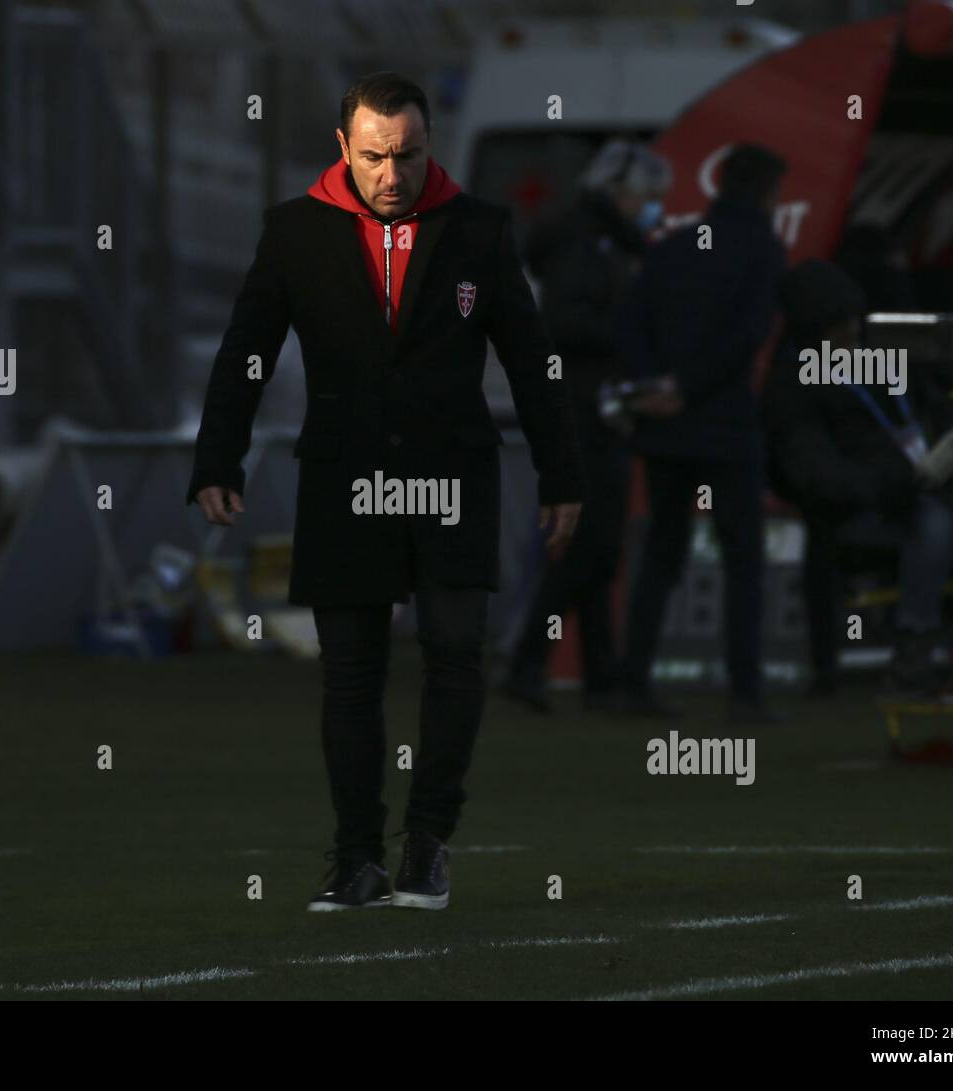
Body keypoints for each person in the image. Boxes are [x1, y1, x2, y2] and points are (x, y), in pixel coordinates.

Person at [186, 72, 585, 912]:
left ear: (429, 143)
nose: (391, 174)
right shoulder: (294, 232)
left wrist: (561, 473)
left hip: (452, 474)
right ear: (343, 147)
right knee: (351, 673)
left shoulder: (479, 229)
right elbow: (244, 351)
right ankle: (357, 857)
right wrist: (217, 459)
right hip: (344, 473)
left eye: (406, 155)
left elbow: (532, 357)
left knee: (452, 654)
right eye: (373, 156)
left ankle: (429, 845)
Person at [612, 143, 788, 724]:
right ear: (765, 192)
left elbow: (632, 322)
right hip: (725, 425)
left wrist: (654, 386)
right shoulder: (762, 249)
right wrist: (688, 387)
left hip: (666, 429)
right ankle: (744, 690)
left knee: (661, 553)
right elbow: (747, 336)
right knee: (743, 558)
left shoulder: (676, 245)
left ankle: (633, 679)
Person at [499, 140, 672, 714]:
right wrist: (637, 339)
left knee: (598, 548)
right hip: (583, 410)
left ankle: (597, 678)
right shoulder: (586, 243)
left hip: (587, 406)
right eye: (646, 197)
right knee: (591, 548)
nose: (651, 208)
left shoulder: (594, 241)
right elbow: (570, 323)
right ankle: (529, 662)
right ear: (617, 191)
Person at [763, 260, 953, 695]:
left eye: (855, 321)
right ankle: (915, 644)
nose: (852, 332)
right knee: (934, 524)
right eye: (840, 326)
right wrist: (893, 485)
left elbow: (935, 406)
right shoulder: (793, 387)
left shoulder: (881, 362)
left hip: (924, 489)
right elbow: (817, 473)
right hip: (864, 512)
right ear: (814, 331)